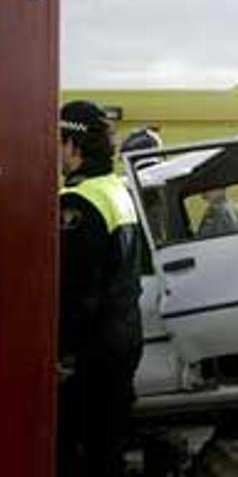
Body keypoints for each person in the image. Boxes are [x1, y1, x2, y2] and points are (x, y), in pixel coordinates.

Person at [58, 100, 144, 477]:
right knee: (107, 450)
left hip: (91, 351)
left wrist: (63, 353)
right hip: (123, 340)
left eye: (56, 141)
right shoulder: (116, 190)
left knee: (78, 453)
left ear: (72, 146)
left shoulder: (78, 203)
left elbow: (77, 291)